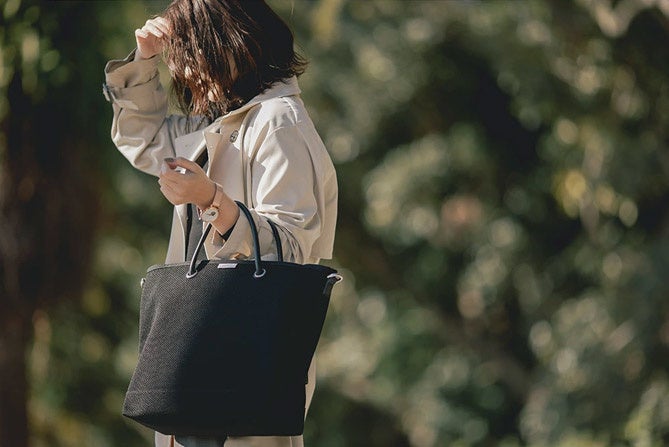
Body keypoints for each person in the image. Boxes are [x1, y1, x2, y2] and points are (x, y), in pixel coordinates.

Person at [102, 1, 338, 446]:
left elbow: (291, 253)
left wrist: (212, 201)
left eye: (186, 52)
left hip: (243, 371)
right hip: (200, 367)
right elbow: (143, 139)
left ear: (225, 43)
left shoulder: (278, 122)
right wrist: (145, 59)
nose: (181, 70)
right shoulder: (221, 122)